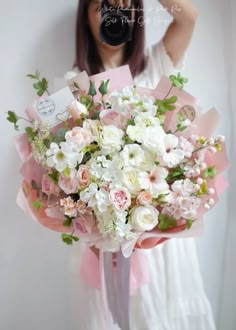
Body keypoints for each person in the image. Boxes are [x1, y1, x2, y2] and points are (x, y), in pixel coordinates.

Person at [65, 1, 217, 329]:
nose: (113, 15)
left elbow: (188, 15)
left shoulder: (158, 66)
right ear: (85, 17)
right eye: (102, 6)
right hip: (101, 246)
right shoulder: (71, 87)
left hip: (159, 245)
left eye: (122, 5)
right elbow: (53, 161)